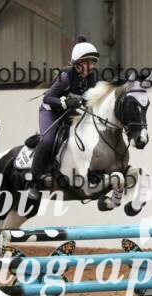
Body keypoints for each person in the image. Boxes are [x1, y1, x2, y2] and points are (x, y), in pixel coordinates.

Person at [28, 35, 99, 200]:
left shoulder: (92, 78)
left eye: (93, 63)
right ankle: (34, 183)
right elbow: (48, 98)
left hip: (71, 112)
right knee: (48, 141)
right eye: (88, 63)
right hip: (51, 111)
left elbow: (93, 98)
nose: (92, 67)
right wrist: (65, 102)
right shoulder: (65, 76)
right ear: (78, 63)